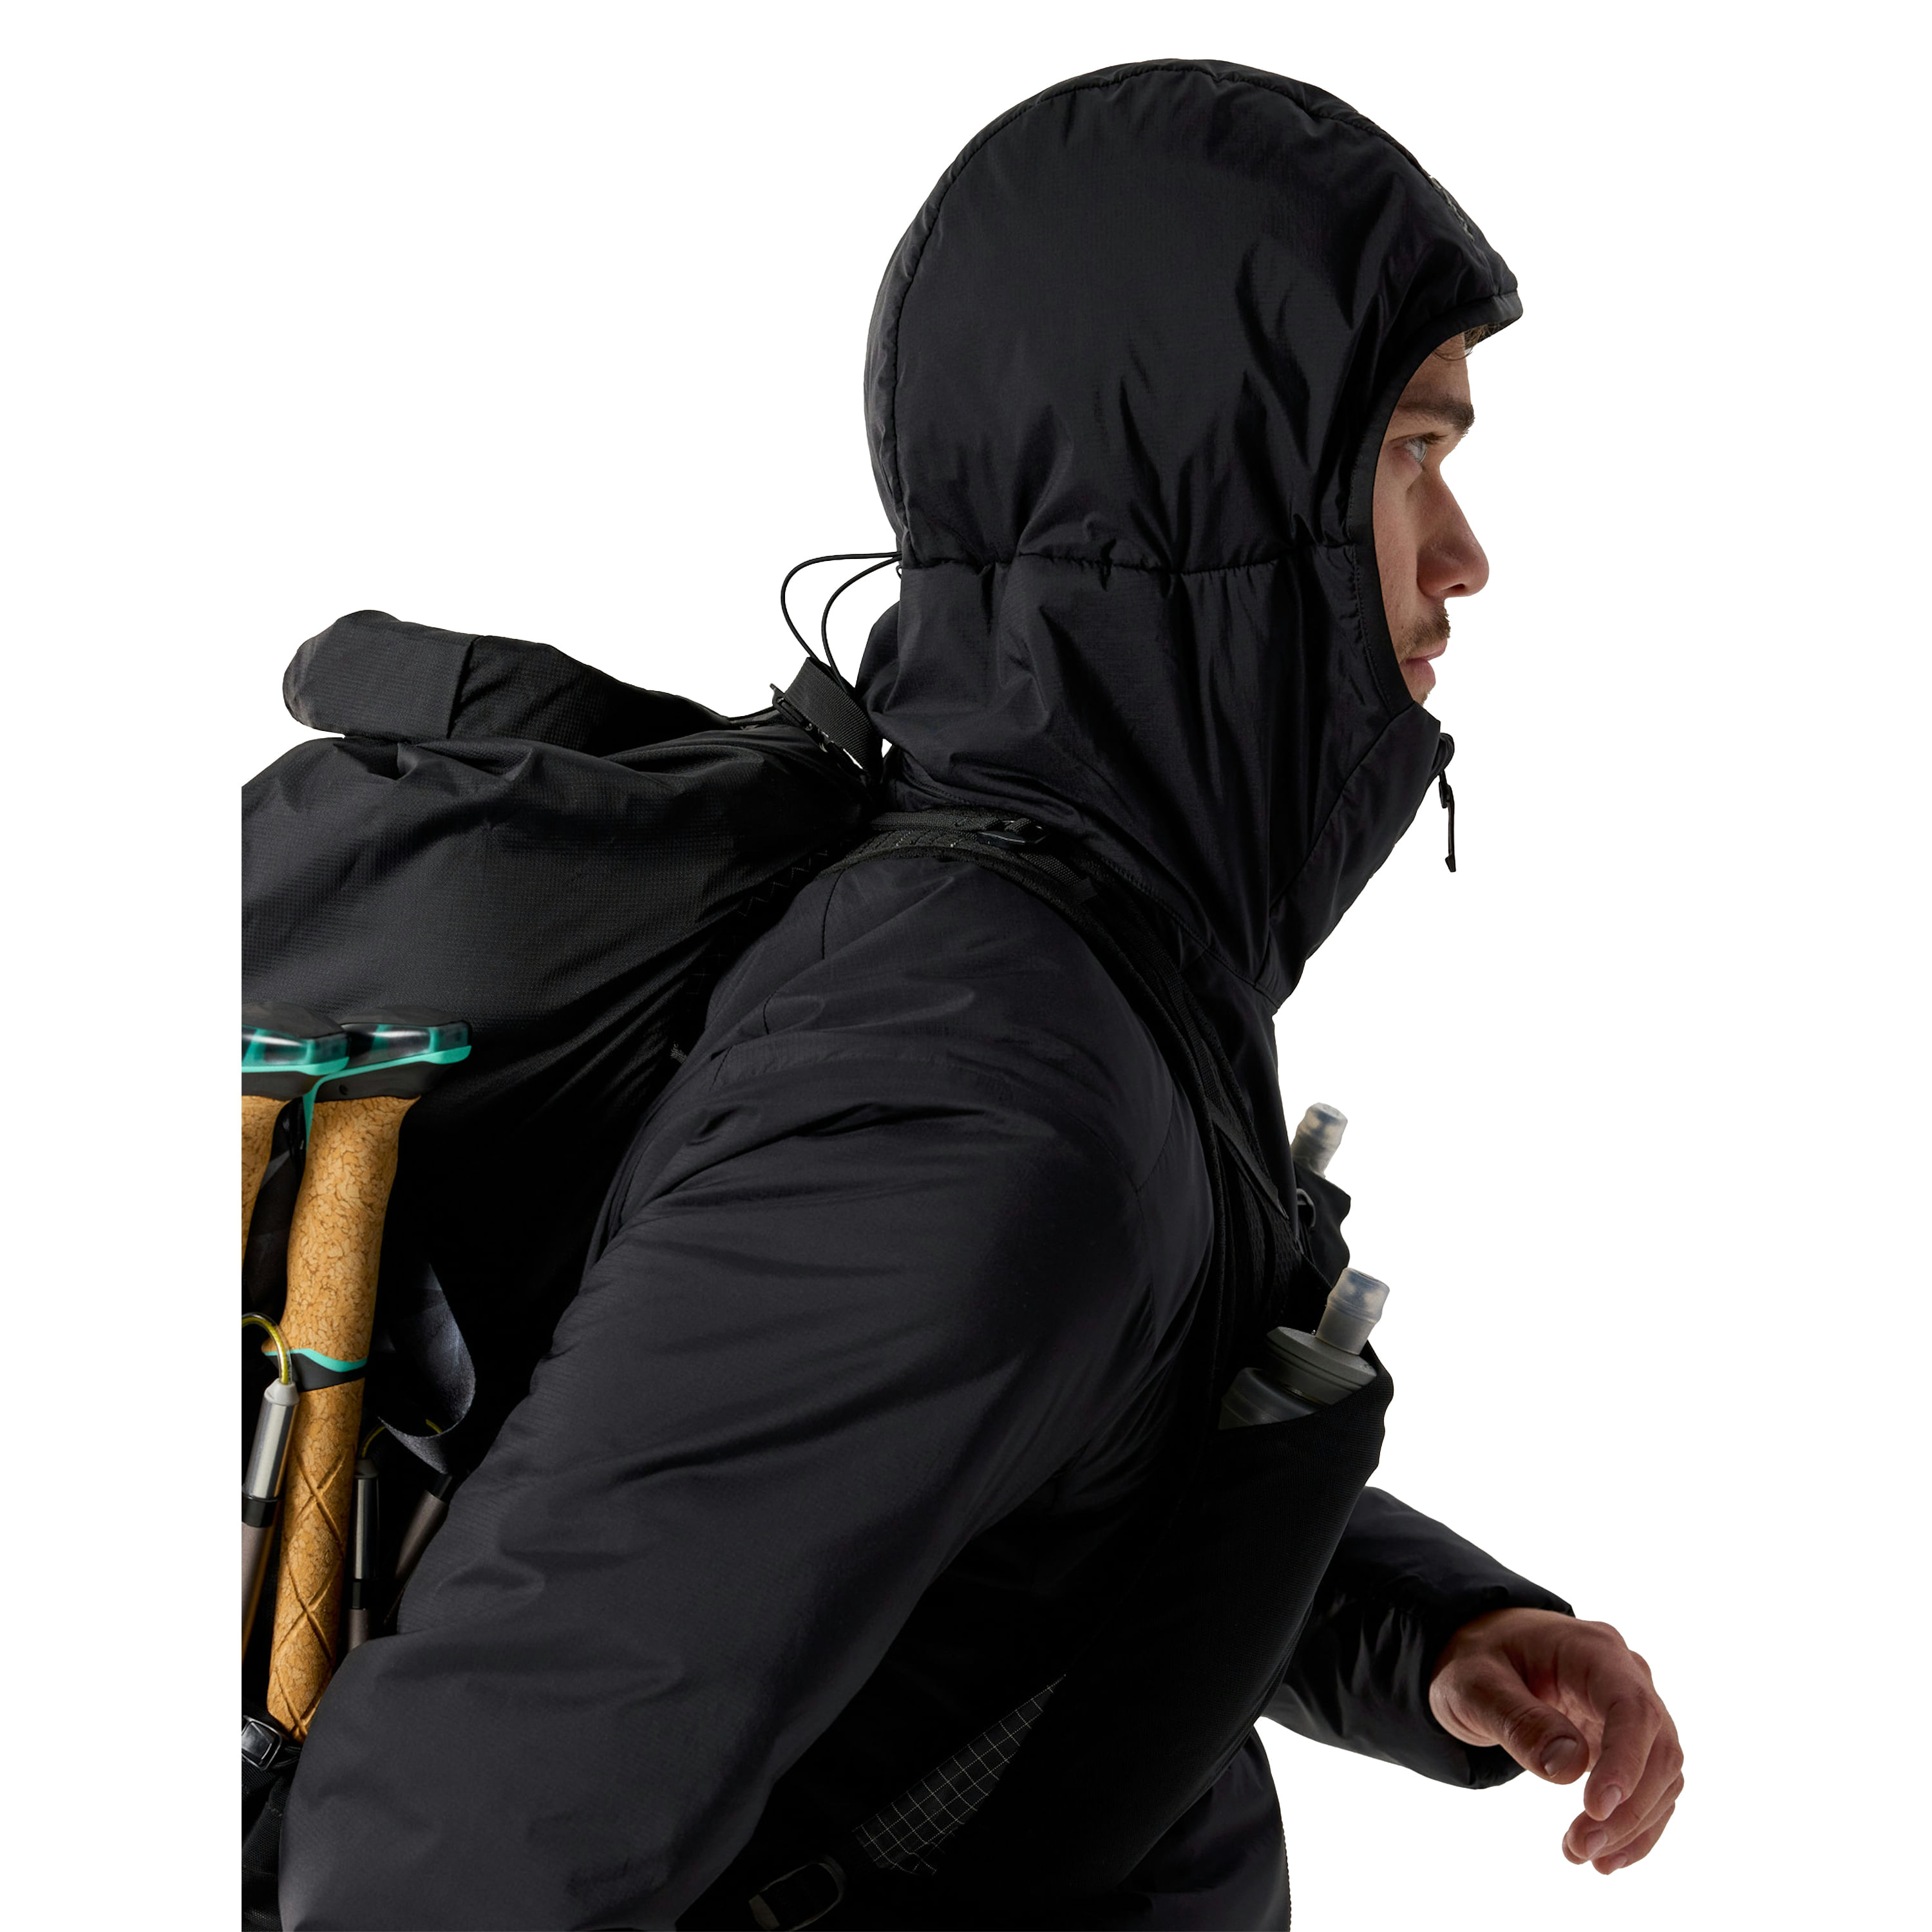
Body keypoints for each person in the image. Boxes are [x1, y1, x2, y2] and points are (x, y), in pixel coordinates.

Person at [279, 59, 1683, 1929]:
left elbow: (1019, 1509)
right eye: (1412, 454)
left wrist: (1422, 1629)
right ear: (1222, 502)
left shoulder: (1074, 963)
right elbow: (453, 1858)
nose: (1464, 554)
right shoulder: (976, 1100)